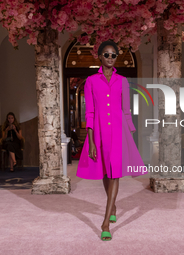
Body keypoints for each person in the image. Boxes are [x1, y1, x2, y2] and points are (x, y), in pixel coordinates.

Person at [76, 40, 146, 241]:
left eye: (113, 55)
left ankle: (105, 222)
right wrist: (90, 142)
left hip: (118, 132)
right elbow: (89, 112)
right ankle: (113, 205)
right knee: (105, 173)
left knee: (115, 174)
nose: (109, 58)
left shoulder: (123, 81)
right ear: (99, 56)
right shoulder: (90, 81)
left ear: (116, 58)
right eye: (106, 54)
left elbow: (126, 111)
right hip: (98, 132)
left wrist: (130, 135)